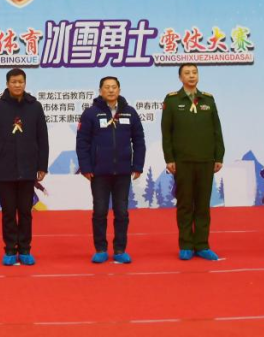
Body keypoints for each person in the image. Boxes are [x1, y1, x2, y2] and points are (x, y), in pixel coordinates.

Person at [76, 76, 146, 264]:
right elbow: (82, 142)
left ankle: (120, 249)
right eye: (106, 87)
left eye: (114, 87)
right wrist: (86, 167)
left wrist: (138, 165)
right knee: (100, 212)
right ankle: (100, 249)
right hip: (99, 172)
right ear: (100, 91)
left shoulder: (129, 112)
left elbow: (139, 140)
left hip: (123, 172)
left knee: (122, 212)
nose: (111, 90)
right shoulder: (91, 113)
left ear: (119, 90)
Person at [0, 68, 49, 266]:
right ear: (7, 84)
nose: (17, 85)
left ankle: (26, 249)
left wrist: (42, 165)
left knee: (26, 212)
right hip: (5, 169)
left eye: (20, 81)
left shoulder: (35, 107)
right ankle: (10, 249)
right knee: (9, 212)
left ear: (25, 83)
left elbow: (42, 138)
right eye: (13, 82)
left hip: (28, 168)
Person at [161, 63, 224, 261]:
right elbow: (166, 133)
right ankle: (186, 245)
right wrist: (169, 158)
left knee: (203, 205)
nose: (191, 76)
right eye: (187, 73)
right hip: (183, 161)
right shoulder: (172, 100)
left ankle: (202, 245)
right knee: (185, 205)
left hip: (206, 160)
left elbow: (217, 130)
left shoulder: (208, 99)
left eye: (194, 72)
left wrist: (219, 156)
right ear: (180, 78)